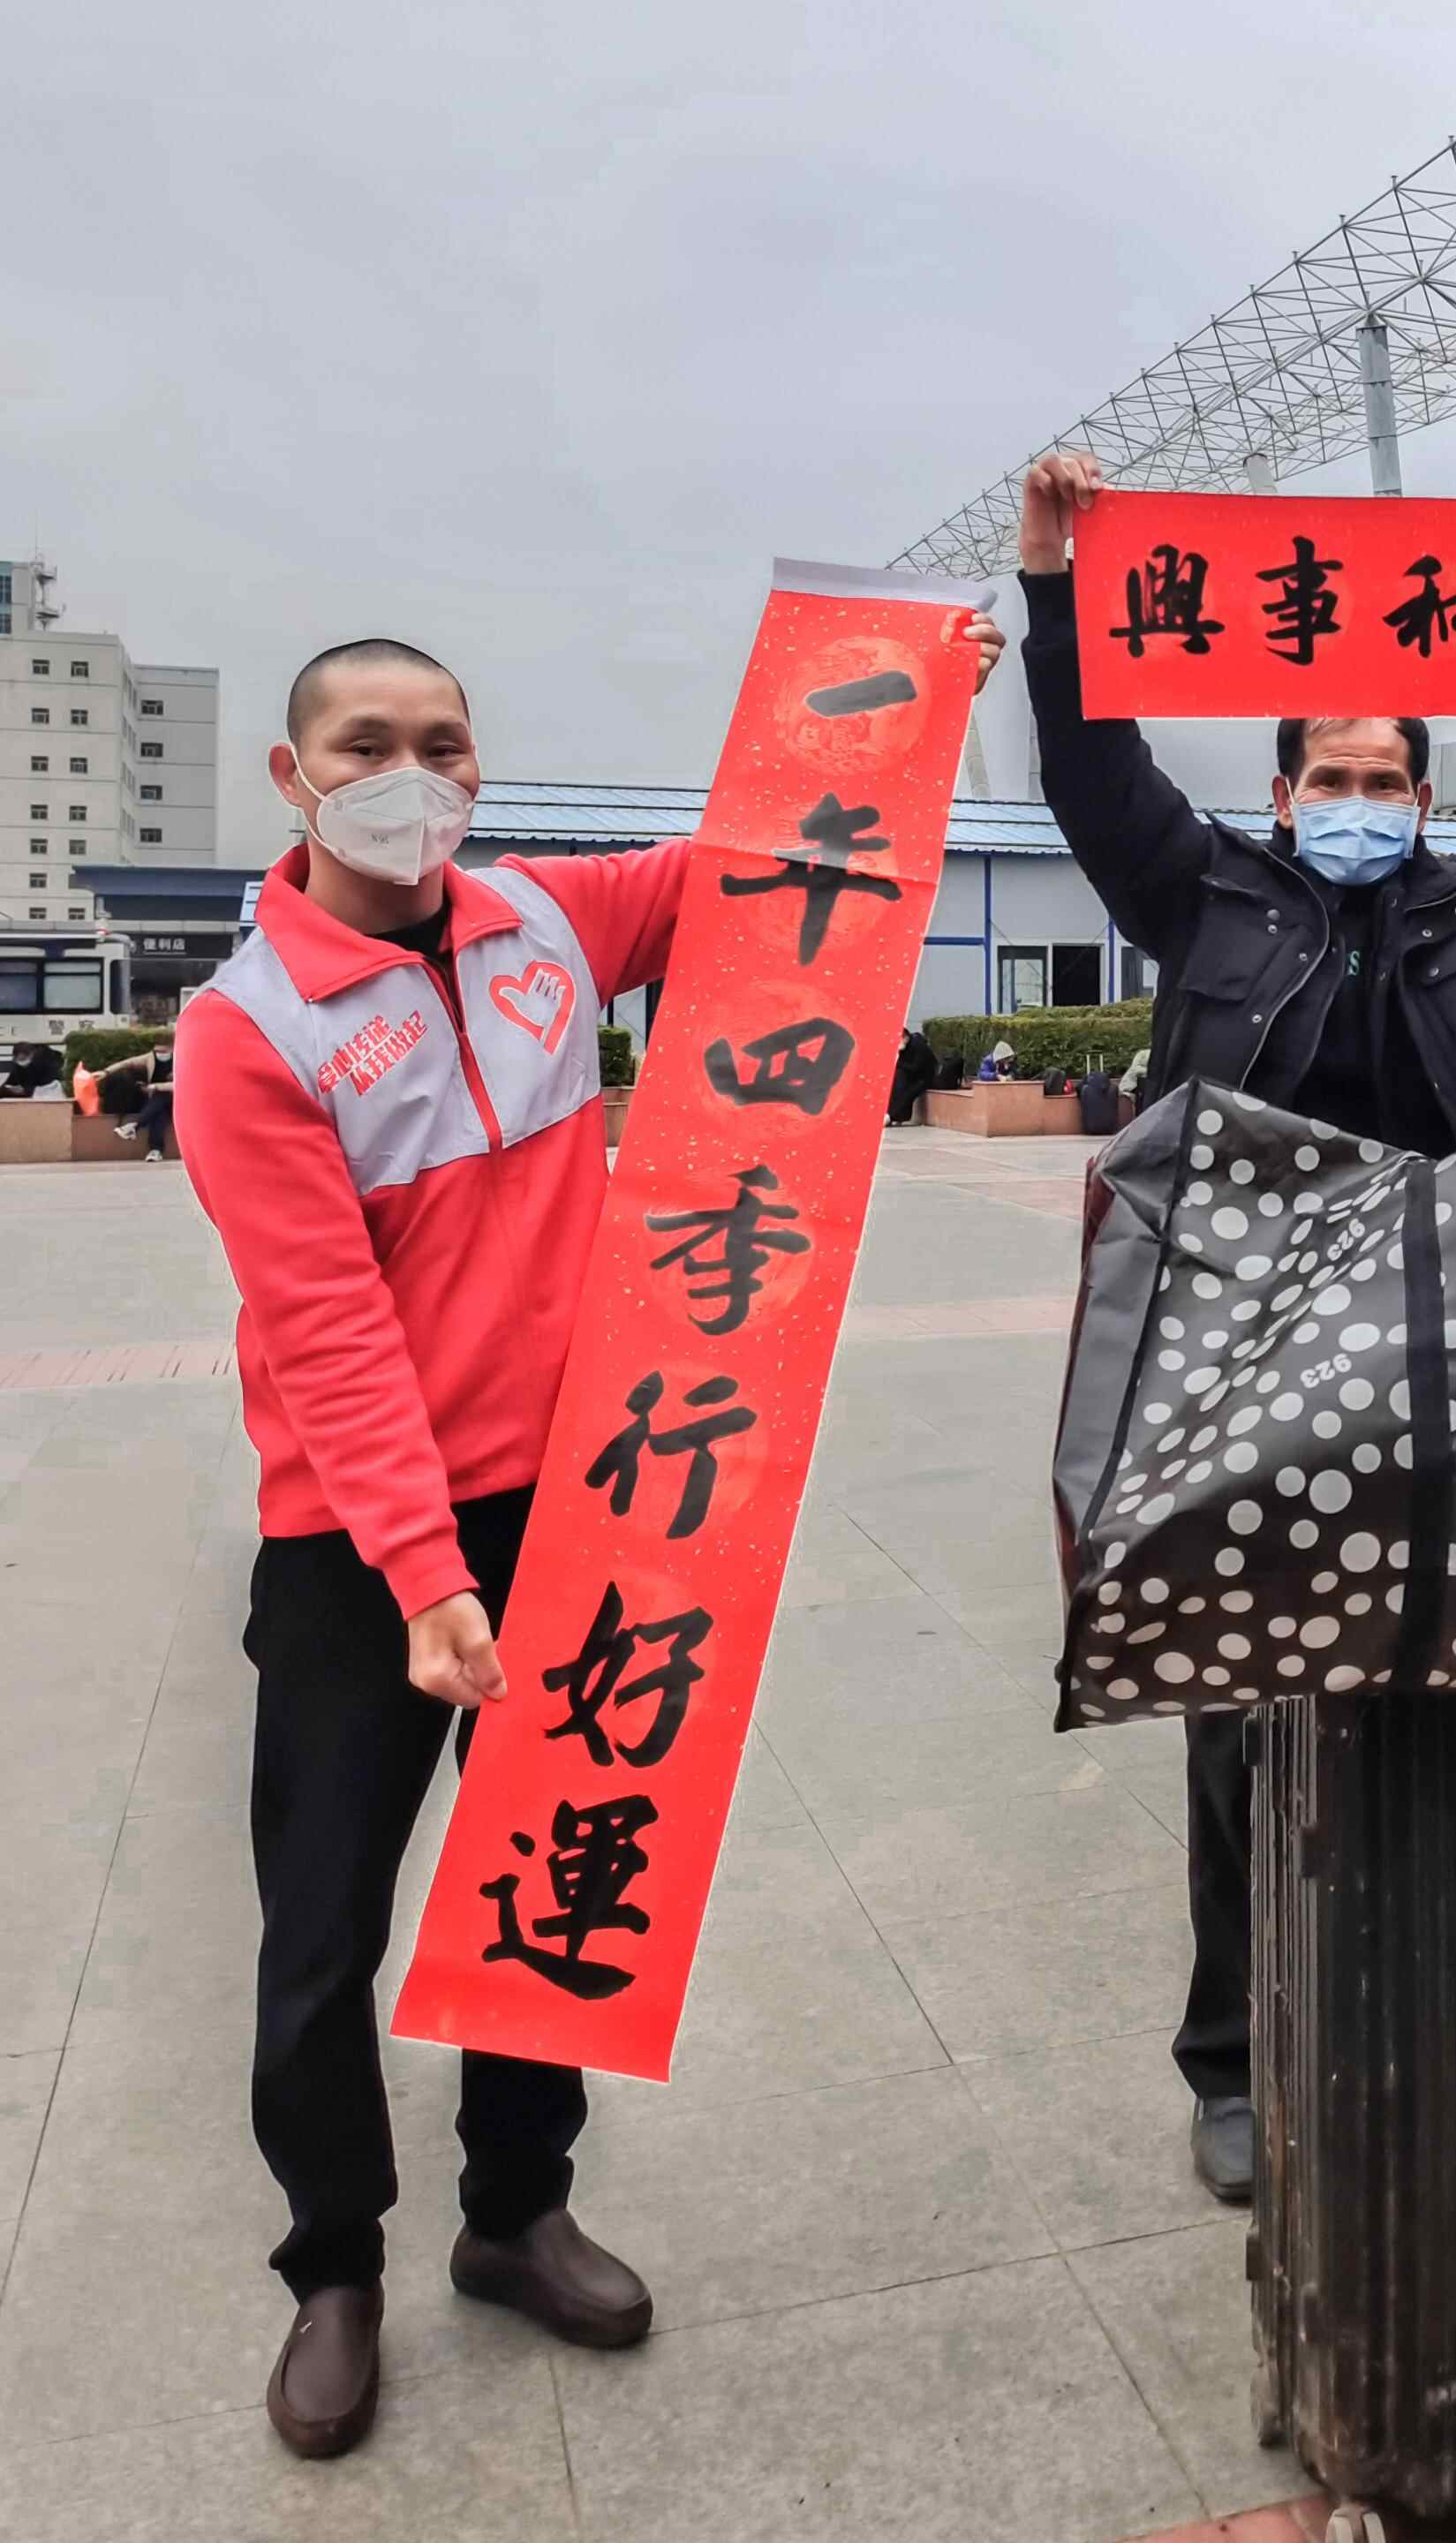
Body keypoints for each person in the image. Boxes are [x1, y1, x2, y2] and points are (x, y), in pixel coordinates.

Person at [173, 618, 1006, 2462]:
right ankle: (333, 2265)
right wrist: (424, 1575)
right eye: (367, 742)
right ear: (293, 778)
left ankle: (513, 2211)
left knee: (548, 1873)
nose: (412, 774)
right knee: (321, 1926)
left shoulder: (546, 919)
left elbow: (770, 863)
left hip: (580, 1505)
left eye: (445, 741)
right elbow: (327, 1334)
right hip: (357, 1542)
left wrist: (917, 697)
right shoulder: (249, 1028)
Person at [1014, 446, 1456, 2204]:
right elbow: (1095, 763)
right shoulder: (1198, 898)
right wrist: (1053, 583)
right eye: (1328, 776)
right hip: (1242, 1377)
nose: (1357, 800)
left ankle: (1429, 2017)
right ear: (1280, 793)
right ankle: (1235, 2061)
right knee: (1241, 1711)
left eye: (1384, 779)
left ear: (1423, 797)